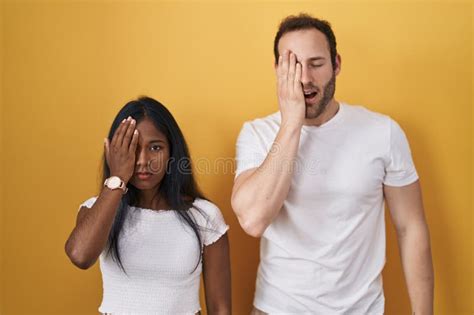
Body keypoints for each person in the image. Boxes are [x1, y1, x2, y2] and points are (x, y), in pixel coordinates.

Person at [231, 14, 433, 314]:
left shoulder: (383, 132)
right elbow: (253, 220)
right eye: (294, 65)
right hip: (277, 308)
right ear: (278, 70)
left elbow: (411, 227)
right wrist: (291, 123)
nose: (305, 79)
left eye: (316, 63)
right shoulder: (257, 134)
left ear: (336, 64)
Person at [65, 96, 231, 315]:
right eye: (132, 148)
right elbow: (80, 256)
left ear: (172, 151)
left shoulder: (204, 216)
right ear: (114, 152)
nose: (142, 160)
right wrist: (117, 179)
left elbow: (220, 308)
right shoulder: (97, 210)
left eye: (155, 147)